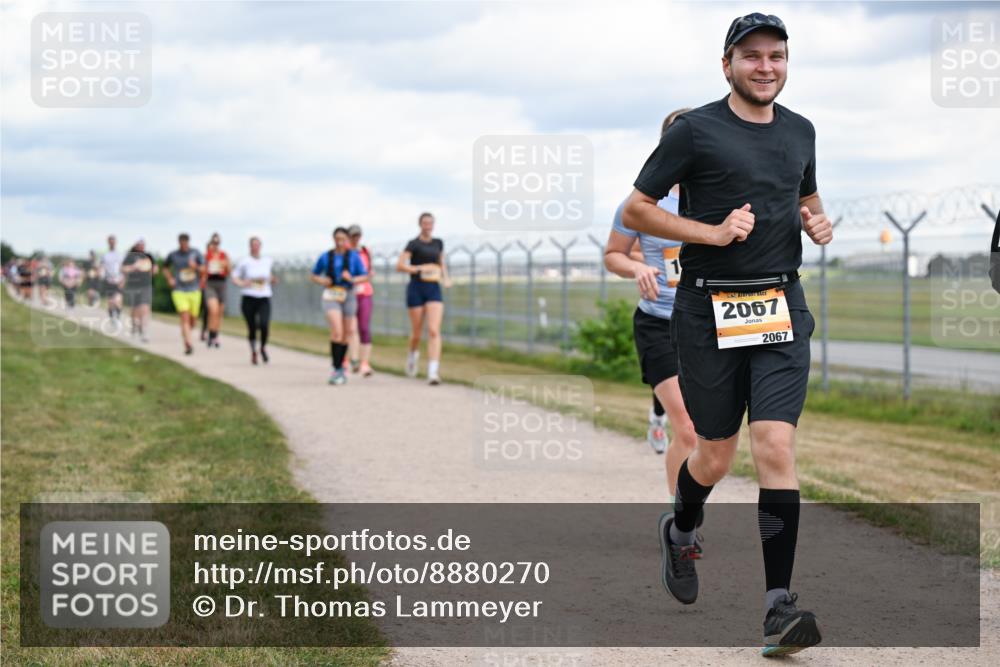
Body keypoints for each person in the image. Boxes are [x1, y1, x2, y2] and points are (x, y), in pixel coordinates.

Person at [623, 13, 833, 657]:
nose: (765, 67)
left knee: (775, 445)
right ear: (727, 65)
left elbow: (807, 198)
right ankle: (681, 528)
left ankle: (778, 608)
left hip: (779, 306)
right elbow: (637, 209)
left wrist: (817, 223)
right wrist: (712, 234)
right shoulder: (694, 131)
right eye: (752, 56)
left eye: (776, 55)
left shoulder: (801, 130)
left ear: (787, 62)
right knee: (714, 454)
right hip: (706, 309)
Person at [605, 108, 700, 498]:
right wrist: (636, 268)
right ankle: (683, 521)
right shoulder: (641, 203)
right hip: (658, 322)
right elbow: (613, 254)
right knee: (688, 429)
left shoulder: (723, 198)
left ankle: (658, 413)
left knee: (712, 436)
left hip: (707, 326)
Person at [310, 227, 369, 385]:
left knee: (347, 333)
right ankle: (336, 368)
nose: (340, 242)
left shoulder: (354, 257)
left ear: (347, 240)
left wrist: (352, 279)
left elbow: (364, 276)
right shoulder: (326, 256)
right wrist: (323, 281)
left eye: (343, 239)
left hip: (348, 294)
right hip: (331, 295)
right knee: (337, 331)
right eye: (337, 239)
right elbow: (314, 275)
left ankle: (342, 367)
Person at [397, 212, 450, 385]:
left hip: (433, 288)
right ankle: (412, 356)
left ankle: (433, 372)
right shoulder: (413, 244)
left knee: (434, 330)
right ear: (420, 224)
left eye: (431, 223)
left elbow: (441, 262)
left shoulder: (438, 243)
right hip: (416, 288)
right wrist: (420, 268)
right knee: (417, 332)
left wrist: (446, 277)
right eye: (425, 223)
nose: (428, 226)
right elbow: (400, 266)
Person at [232, 236, 277, 365]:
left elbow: (269, 276)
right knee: (252, 326)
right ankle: (253, 351)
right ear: (250, 247)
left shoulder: (267, 261)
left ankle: (262, 347)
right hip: (249, 297)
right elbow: (234, 277)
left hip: (264, 297)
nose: (255, 247)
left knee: (264, 324)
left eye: (257, 245)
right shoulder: (244, 262)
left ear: (260, 246)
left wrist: (273, 280)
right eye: (253, 245)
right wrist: (242, 283)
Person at [163, 233, 205, 354]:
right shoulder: (173, 254)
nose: (184, 245)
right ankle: (189, 344)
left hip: (194, 290)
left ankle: (186, 334)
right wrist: (170, 279)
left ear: (188, 242)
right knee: (184, 317)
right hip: (179, 290)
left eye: (185, 243)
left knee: (193, 320)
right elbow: (165, 267)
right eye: (182, 243)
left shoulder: (196, 253)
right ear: (179, 243)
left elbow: (204, 269)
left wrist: (196, 267)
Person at [347, 224, 375, 377]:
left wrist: (367, 276)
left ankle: (365, 362)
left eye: (358, 235)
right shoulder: (344, 252)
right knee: (351, 329)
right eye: (353, 235)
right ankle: (353, 359)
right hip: (348, 293)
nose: (356, 238)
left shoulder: (365, 251)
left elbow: (369, 272)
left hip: (365, 292)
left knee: (364, 327)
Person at [122, 239, 157, 342]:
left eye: (143, 244)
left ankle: (144, 331)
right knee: (134, 308)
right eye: (140, 244)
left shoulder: (148, 256)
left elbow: (155, 268)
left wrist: (153, 271)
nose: (141, 246)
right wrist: (134, 267)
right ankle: (134, 327)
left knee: (145, 307)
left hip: (146, 285)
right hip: (133, 285)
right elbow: (123, 269)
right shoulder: (130, 256)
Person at [202, 232, 230, 348]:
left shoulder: (224, 255)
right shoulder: (206, 256)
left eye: (217, 243)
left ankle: (215, 335)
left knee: (219, 312)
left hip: (221, 283)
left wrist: (225, 265)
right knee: (213, 310)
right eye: (214, 243)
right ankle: (211, 333)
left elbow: (228, 271)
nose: (215, 245)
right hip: (211, 283)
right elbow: (202, 270)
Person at [100, 235, 124, 321]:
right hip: (109, 281)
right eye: (110, 242)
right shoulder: (105, 255)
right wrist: (101, 275)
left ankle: (118, 317)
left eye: (113, 242)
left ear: (116, 242)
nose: (112, 244)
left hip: (118, 280)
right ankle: (111, 318)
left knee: (117, 301)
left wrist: (123, 280)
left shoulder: (120, 255)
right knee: (110, 302)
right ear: (108, 243)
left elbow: (123, 268)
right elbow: (102, 267)